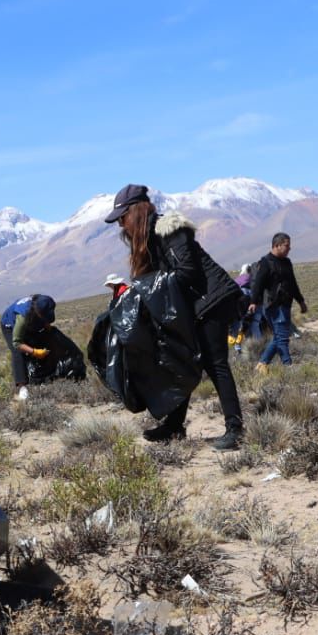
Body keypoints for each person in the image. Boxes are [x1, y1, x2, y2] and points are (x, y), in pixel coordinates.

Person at [104, 183, 245, 449]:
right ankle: (174, 426)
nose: (121, 225)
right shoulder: (150, 238)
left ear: (135, 212)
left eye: (123, 218)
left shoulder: (170, 230)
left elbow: (188, 271)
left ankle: (235, 429)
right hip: (195, 306)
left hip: (212, 301)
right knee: (184, 364)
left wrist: (149, 289)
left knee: (215, 364)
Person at [246, 233, 309, 374]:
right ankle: (288, 367)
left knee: (279, 337)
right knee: (282, 337)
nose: (289, 248)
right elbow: (258, 284)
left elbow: (293, 283)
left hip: (286, 305)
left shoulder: (287, 263)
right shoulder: (266, 262)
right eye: (286, 245)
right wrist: (253, 302)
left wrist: (301, 301)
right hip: (273, 305)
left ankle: (262, 363)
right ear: (276, 245)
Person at [0, 293, 58, 401]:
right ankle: (22, 387)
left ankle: (40, 377)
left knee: (41, 340)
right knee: (18, 353)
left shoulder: (42, 304)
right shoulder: (23, 315)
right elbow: (17, 343)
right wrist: (35, 352)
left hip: (31, 322)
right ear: (38, 313)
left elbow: (46, 325)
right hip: (9, 326)